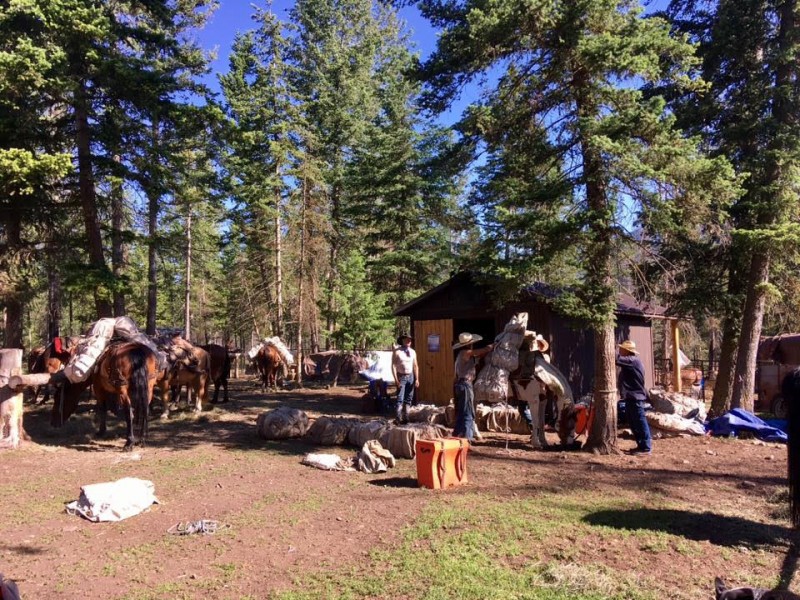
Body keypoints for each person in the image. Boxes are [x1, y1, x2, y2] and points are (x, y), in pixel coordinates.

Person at [452, 332, 494, 441]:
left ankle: (457, 434)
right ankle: (468, 438)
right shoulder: (465, 353)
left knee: (462, 411)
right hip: (466, 384)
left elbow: (478, 355)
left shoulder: (462, 355)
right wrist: (490, 347)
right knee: (468, 412)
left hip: (460, 384)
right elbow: (480, 351)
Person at [616, 339, 652, 455]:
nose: (620, 350)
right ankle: (640, 446)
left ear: (627, 351)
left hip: (636, 397)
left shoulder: (632, 361)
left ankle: (646, 448)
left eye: (621, 349)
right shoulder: (631, 362)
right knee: (633, 422)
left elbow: (616, 358)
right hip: (631, 397)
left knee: (640, 422)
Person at [391, 333, 419, 424]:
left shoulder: (413, 352)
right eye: (407, 339)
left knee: (409, 398)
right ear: (402, 341)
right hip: (401, 376)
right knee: (400, 397)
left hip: (410, 376)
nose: (409, 341)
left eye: (410, 340)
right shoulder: (397, 351)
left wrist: (417, 379)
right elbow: (393, 366)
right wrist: (396, 380)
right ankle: (398, 417)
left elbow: (415, 366)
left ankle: (406, 416)